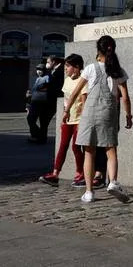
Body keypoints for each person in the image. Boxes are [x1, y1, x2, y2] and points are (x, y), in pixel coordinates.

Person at [65, 36, 132, 204]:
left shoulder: (90, 68)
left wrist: (67, 111)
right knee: (111, 150)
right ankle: (113, 182)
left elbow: (75, 93)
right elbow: (125, 97)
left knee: (89, 152)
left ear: (98, 50)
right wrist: (128, 115)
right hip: (108, 113)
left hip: (89, 114)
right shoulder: (118, 71)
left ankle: (89, 192)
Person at [39, 54, 88, 187]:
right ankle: (55, 174)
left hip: (79, 120)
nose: (65, 68)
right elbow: (66, 100)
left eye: (68, 66)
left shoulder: (83, 80)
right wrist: (64, 114)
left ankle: (80, 174)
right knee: (63, 145)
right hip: (68, 118)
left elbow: (85, 102)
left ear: (76, 67)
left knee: (76, 147)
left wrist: (83, 121)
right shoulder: (67, 80)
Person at [27, 64, 50, 142]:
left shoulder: (46, 77)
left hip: (40, 101)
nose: (39, 71)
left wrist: (40, 88)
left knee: (31, 119)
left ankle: (38, 135)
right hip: (35, 100)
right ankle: (37, 135)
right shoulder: (38, 79)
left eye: (40, 70)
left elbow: (48, 87)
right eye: (37, 70)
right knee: (30, 119)